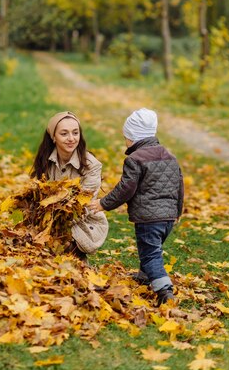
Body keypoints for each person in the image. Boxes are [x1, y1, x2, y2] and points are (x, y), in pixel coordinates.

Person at [89, 108, 184, 305]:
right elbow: (179, 184)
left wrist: (103, 204)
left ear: (132, 138)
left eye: (126, 138)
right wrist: (178, 210)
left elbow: (126, 188)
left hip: (148, 219)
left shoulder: (134, 159)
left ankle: (165, 291)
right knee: (152, 250)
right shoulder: (169, 156)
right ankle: (144, 276)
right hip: (168, 218)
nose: (125, 142)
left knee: (150, 254)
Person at [31, 111, 108, 261]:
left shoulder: (91, 165)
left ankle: (77, 261)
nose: (71, 139)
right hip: (50, 217)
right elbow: (39, 195)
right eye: (64, 134)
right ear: (54, 137)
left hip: (83, 219)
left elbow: (82, 205)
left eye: (75, 133)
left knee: (63, 251)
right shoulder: (45, 160)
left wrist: (54, 226)